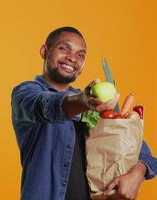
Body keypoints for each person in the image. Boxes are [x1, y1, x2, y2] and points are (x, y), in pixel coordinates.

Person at [11, 26, 156, 200]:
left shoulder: (92, 102)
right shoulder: (26, 93)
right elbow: (46, 106)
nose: (72, 58)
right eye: (64, 48)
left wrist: (138, 173)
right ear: (44, 51)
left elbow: (131, 143)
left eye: (81, 55)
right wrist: (82, 102)